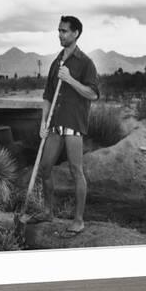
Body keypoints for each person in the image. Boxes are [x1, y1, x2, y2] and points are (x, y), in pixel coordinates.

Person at [31, 15, 99, 234]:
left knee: (75, 170)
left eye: (64, 31)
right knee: (45, 168)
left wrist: (69, 79)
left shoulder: (85, 63)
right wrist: (43, 122)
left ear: (76, 33)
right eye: (59, 31)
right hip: (54, 125)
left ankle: (79, 220)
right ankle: (48, 211)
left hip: (74, 124)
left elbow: (93, 94)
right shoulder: (56, 62)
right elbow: (47, 96)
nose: (60, 34)